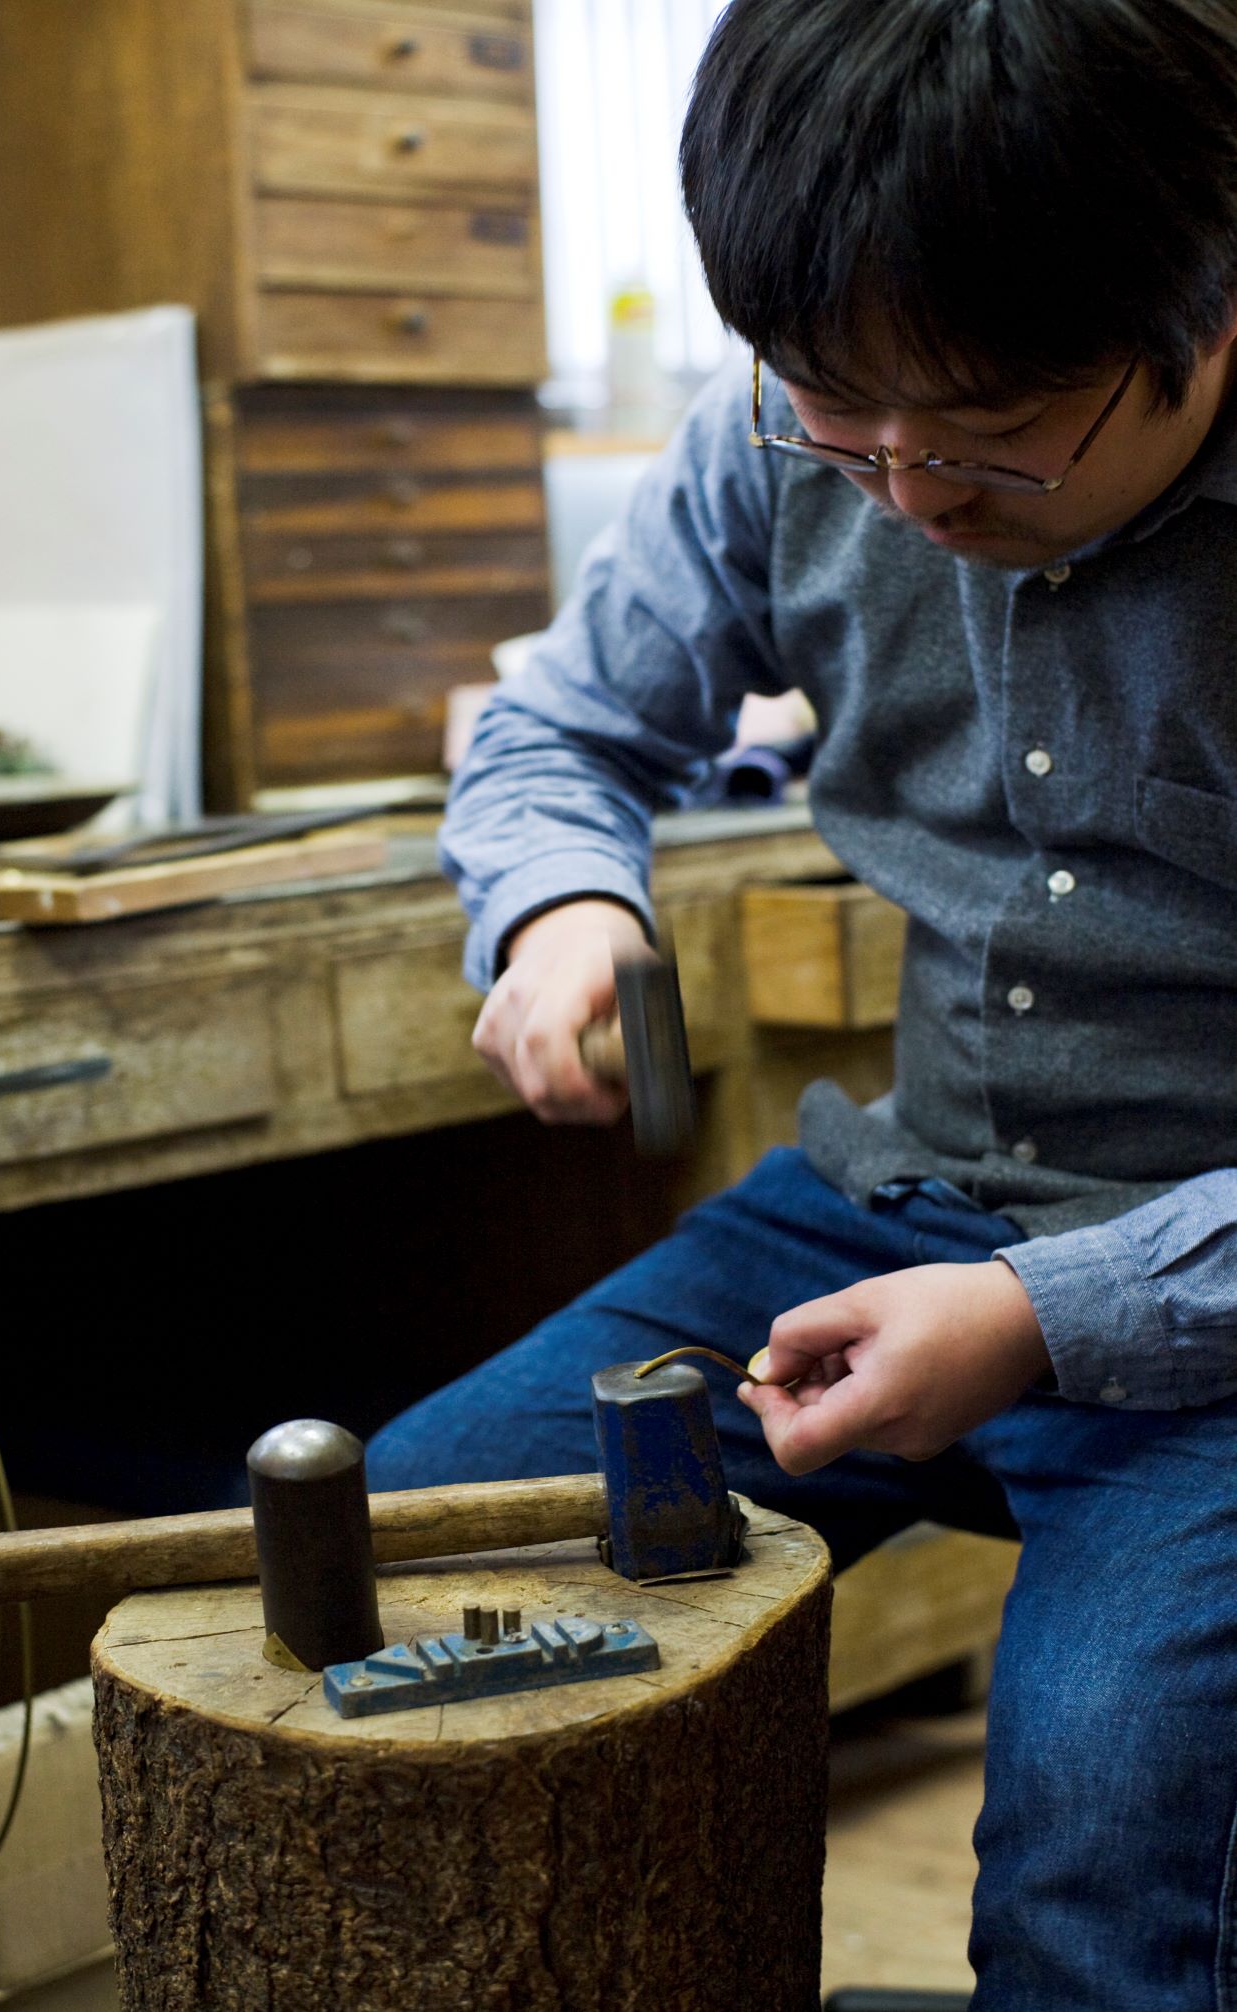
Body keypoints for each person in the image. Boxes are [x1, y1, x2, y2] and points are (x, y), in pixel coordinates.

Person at [366, 1, 1237, 2004]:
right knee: (388, 1565)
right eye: (838, 404)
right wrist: (561, 910)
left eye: (998, 423)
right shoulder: (805, 439)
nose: (909, 490)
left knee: (1102, 1879)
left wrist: (1052, 1317)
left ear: (1208, 294)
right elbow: (556, 734)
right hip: (899, 1210)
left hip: (1212, 1293)